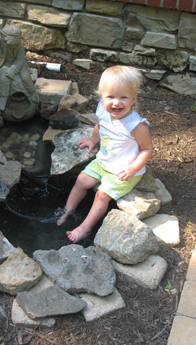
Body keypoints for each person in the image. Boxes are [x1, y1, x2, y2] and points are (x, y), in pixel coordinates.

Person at [57, 65, 153, 243]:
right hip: (103, 161)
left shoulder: (136, 125)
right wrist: (93, 140)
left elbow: (147, 149)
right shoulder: (103, 109)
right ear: (101, 97)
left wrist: (133, 168)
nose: (116, 103)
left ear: (133, 99)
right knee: (81, 180)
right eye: (110, 97)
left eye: (123, 97)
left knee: (101, 195)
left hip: (123, 170)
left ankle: (85, 228)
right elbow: (100, 126)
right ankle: (67, 210)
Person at [0, 23, 38, 112]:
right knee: (4, 77)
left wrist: (13, 71)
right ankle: (3, 98)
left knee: (25, 77)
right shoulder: (1, 42)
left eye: (14, 45)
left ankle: (32, 93)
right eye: (9, 44)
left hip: (20, 65)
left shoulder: (20, 47)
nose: (11, 46)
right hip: (6, 64)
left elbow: (19, 61)